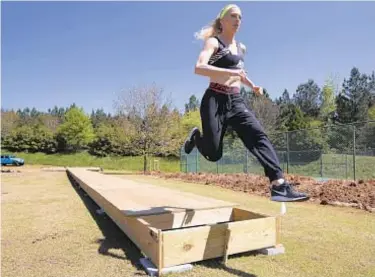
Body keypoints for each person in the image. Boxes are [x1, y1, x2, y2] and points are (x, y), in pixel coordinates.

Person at [184, 4, 309, 202]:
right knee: (213, 154)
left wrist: (252, 85)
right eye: (233, 16)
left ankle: (278, 185)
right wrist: (230, 73)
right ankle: (197, 138)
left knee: (258, 135)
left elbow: (240, 73)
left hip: (236, 100)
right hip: (214, 100)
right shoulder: (214, 43)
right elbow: (199, 67)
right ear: (222, 20)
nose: (238, 20)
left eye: (240, 17)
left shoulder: (240, 48)